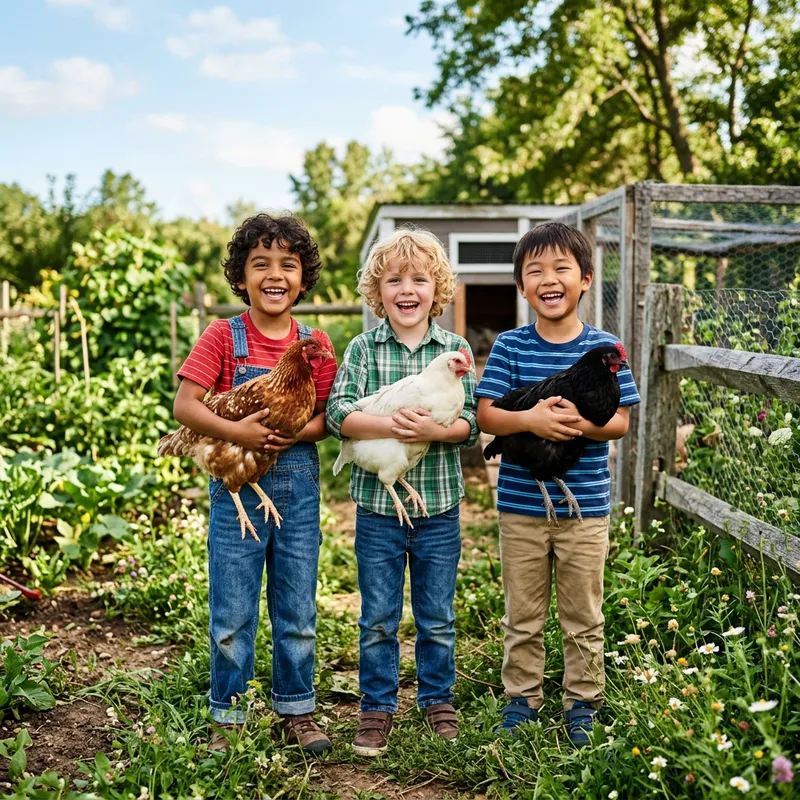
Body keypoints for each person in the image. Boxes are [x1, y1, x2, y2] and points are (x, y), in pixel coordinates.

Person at [172, 213, 337, 754]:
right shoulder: (224, 334)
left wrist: (292, 435)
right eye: (260, 263)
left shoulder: (315, 341)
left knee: (296, 607)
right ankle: (230, 713)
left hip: (296, 483)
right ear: (241, 276)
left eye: (287, 264)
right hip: (235, 483)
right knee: (234, 607)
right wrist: (236, 430)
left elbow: (325, 418)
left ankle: (296, 709)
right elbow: (185, 406)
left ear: (303, 277)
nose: (274, 274)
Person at [475, 221, 640, 746]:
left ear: (586, 278)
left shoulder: (605, 347)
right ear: (523, 287)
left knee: (582, 611)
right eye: (535, 271)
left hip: (586, 507)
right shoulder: (510, 346)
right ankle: (521, 698)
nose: (549, 279)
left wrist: (574, 424)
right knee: (522, 612)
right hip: (521, 504)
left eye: (561, 268)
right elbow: (486, 417)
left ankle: (583, 702)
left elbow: (620, 422)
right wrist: (531, 422)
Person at [326, 227, 478, 756]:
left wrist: (435, 431)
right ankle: (376, 708)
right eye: (394, 280)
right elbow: (338, 414)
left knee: (437, 615)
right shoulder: (364, 349)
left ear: (436, 288)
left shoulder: (454, 348)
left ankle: (438, 700)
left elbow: (473, 423)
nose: (407, 289)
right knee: (378, 616)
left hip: (438, 505)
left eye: (419, 279)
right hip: (376, 509)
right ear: (378, 292)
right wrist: (391, 424)